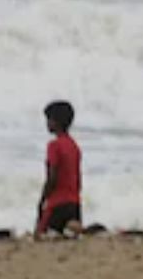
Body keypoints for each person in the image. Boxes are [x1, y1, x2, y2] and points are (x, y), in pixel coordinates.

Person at [35, 100, 83, 237]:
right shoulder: (74, 146)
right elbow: (78, 179)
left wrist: (43, 199)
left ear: (56, 122)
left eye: (49, 120)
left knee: (40, 235)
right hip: (74, 205)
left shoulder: (54, 145)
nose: (47, 123)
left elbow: (52, 177)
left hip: (57, 205)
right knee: (70, 235)